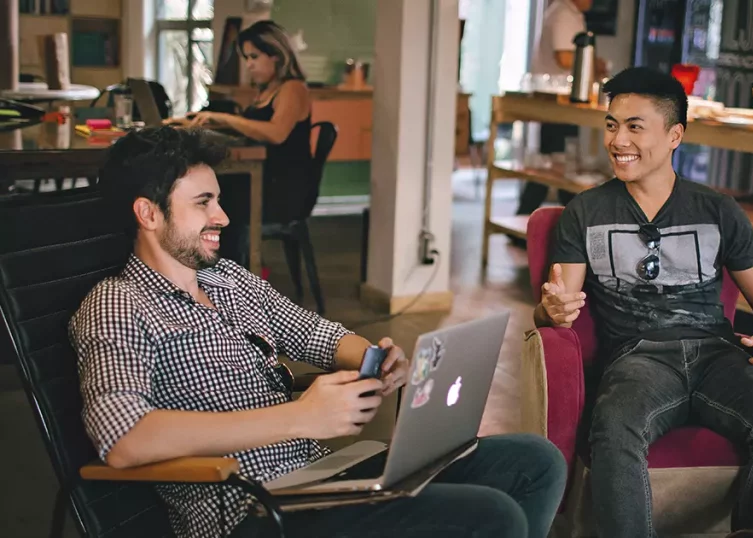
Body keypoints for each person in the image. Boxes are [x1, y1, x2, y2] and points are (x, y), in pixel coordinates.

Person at [70, 126, 567, 538]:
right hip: (253, 512)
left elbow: (318, 335)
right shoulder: (118, 303)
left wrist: (373, 357)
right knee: (491, 517)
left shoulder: (229, 280)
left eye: (218, 200)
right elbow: (124, 438)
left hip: (317, 483)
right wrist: (298, 417)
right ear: (148, 213)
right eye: (203, 203)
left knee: (535, 461)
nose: (222, 216)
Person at [534, 67, 753, 537]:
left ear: (674, 135)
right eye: (611, 125)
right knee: (616, 428)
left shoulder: (717, 210)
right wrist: (550, 312)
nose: (617, 140)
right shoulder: (587, 211)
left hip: (719, 354)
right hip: (637, 358)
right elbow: (557, 304)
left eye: (635, 126)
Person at [166, 20, 315, 265]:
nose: (249, 65)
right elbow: (251, 127)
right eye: (247, 58)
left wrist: (223, 118)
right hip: (265, 178)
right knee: (204, 192)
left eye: (254, 57)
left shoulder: (293, 89)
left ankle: (224, 272)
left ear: (276, 55)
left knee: (210, 197)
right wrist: (201, 122)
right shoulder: (266, 90)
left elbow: (276, 133)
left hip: (283, 189)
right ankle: (208, 269)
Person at [514, 0, 609, 225]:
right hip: (558, 100)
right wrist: (594, 63)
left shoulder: (569, 13)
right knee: (556, 165)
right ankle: (534, 225)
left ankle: (564, 224)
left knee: (558, 165)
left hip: (563, 100)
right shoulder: (563, 13)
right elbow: (565, 57)